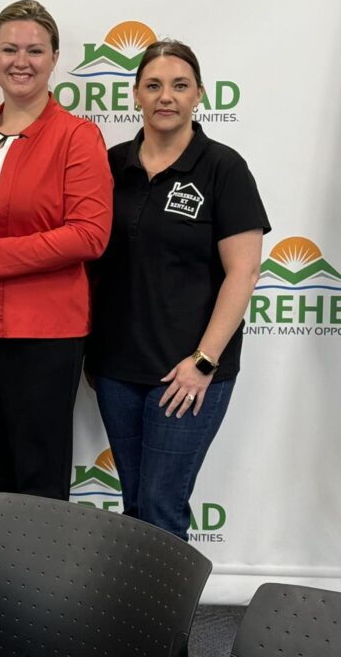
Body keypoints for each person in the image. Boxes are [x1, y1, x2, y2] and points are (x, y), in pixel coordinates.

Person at [0, 0, 113, 650]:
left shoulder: (77, 136)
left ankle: (42, 620)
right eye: (10, 48)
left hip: (42, 325)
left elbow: (90, 234)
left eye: (35, 49)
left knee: (37, 478)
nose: (21, 61)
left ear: (55, 59)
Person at [88, 40, 269, 541]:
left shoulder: (223, 168)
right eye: (153, 85)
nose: (165, 96)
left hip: (188, 372)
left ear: (199, 95)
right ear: (135, 95)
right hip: (118, 369)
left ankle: (166, 602)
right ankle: (135, 597)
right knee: (135, 504)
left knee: (162, 508)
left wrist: (203, 362)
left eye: (179, 85)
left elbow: (244, 273)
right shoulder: (110, 164)